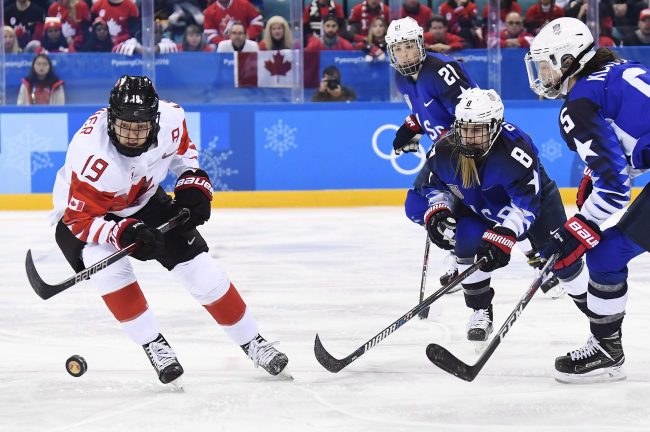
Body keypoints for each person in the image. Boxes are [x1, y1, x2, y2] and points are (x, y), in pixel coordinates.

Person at [49, 75, 289, 385]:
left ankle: (254, 342)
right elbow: (79, 221)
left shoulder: (172, 118)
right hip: (83, 216)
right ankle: (154, 344)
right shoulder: (92, 155)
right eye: (125, 126)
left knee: (201, 269)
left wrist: (192, 181)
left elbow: (184, 153)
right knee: (109, 271)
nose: (132, 136)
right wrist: (122, 233)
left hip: (144, 200)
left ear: (155, 119)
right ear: (111, 119)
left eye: (140, 127)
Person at [386, 16, 562, 295]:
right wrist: (412, 128)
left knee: (505, 200)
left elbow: (471, 114)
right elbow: (423, 110)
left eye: (409, 47)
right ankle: (468, 254)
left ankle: (537, 257)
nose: (404, 54)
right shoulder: (401, 77)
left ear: (420, 44)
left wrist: (450, 150)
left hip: (467, 148)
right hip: (447, 151)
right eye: (398, 49)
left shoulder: (443, 69)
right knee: (429, 204)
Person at [404, 88, 587, 342]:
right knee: (466, 240)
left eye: (477, 130)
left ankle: (598, 316)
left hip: (535, 204)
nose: (469, 136)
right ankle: (480, 310)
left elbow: (526, 205)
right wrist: (438, 210)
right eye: (464, 128)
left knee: (565, 261)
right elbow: (435, 186)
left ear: (496, 126)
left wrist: (505, 234)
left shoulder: (515, 151)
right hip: (481, 205)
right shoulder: (445, 149)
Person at [526, 16, 650, 383]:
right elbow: (638, 147)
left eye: (546, 64)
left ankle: (606, 350)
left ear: (568, 61)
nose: (541, 74)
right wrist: (597, 176)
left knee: (607, 255)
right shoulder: (623, 69)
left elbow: (614, 189)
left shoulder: (578, 103)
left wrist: (578, 227)